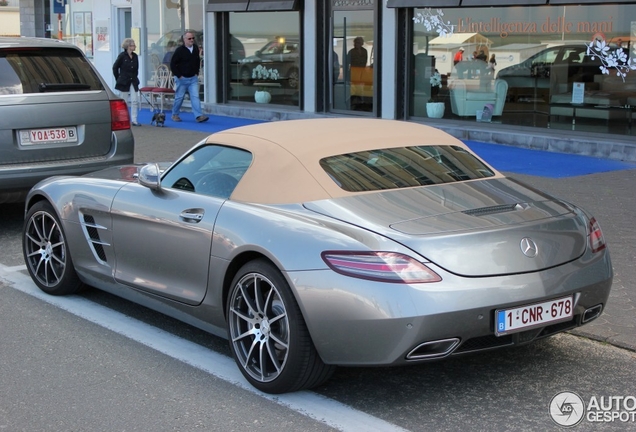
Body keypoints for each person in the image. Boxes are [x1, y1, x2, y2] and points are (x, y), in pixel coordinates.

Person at [170, 31, 208, 123]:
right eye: (189, 38)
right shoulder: (179, 50)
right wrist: (179, 76)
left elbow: (197, 60)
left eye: (193, 38)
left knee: (195, 96)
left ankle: (199, 116)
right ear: (184, 40)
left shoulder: (195, 48)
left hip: (193, 78)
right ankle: (175, 114)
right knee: (179, 97)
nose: (192, 40)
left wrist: (196, 72)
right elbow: (172, 64)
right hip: (182, 79)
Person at [112, 38, 141, 126]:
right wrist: (118, 78)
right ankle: (123, 119)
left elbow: (136, 69)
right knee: (124, 101)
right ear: (128, 46)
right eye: (133, 45)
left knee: (134, 100)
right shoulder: (122, 56)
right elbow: (115, 67)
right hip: (124, 81)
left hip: (133, 80)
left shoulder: (135, 56)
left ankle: (134, 120)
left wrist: (135, 78)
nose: (134, 46)